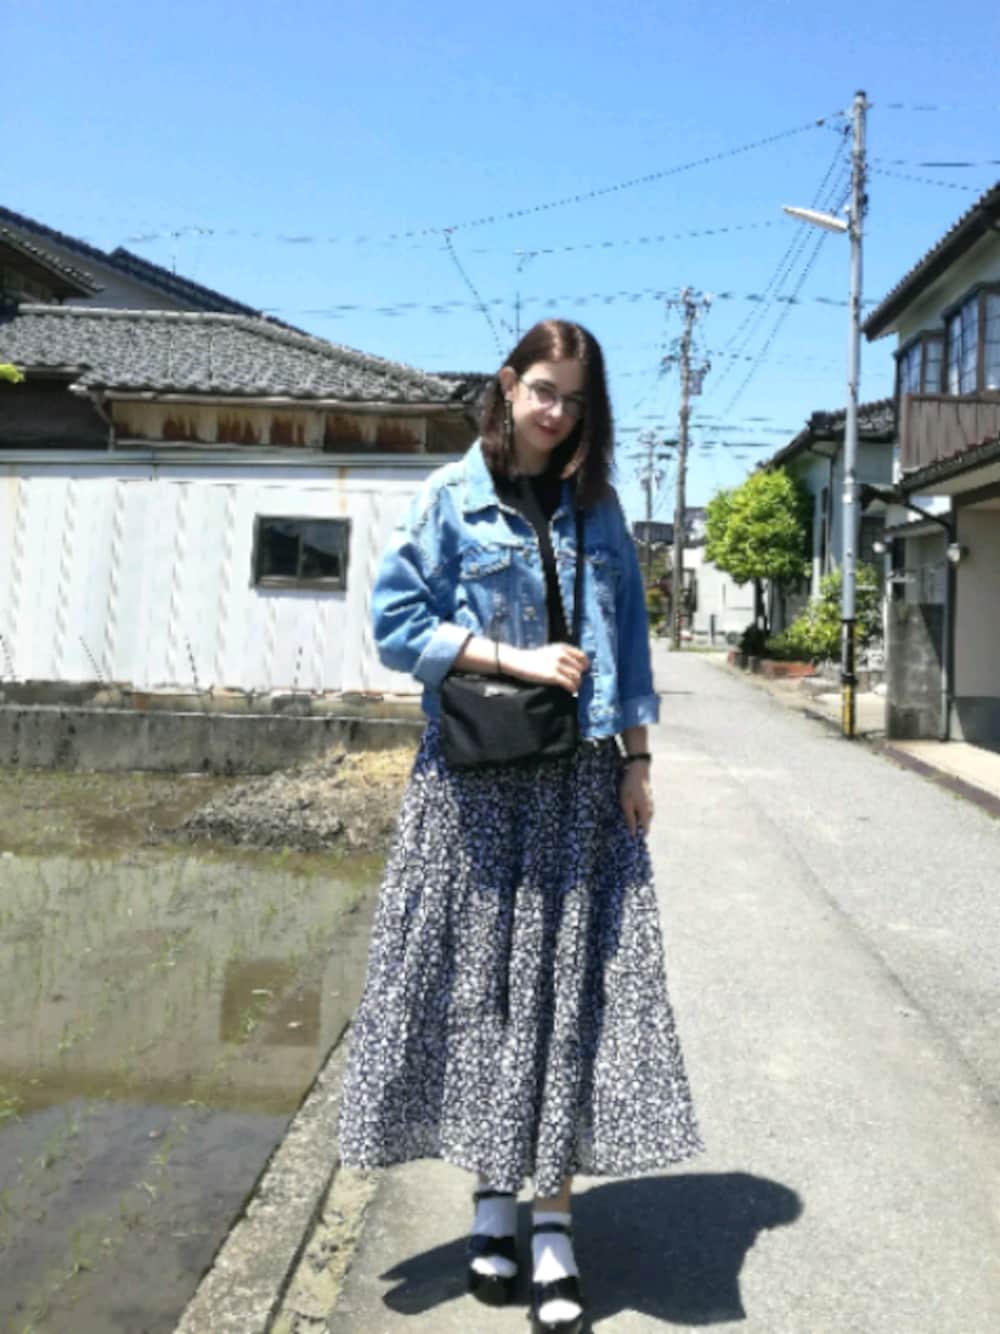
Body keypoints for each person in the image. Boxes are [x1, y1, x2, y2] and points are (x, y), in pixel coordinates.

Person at [338, 319, 701, 1334]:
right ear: (508, 383)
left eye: (575, 399)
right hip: (475, 786)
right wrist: (515, 657)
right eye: (543, 389)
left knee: (562, 994)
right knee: (484, 991)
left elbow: (628, 644)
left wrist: (637, 760)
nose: (556, 412)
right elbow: (397, 625)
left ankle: (551, 1225)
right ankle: (492, 1200)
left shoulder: (601, 508)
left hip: (578, 785)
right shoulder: (448, 498)